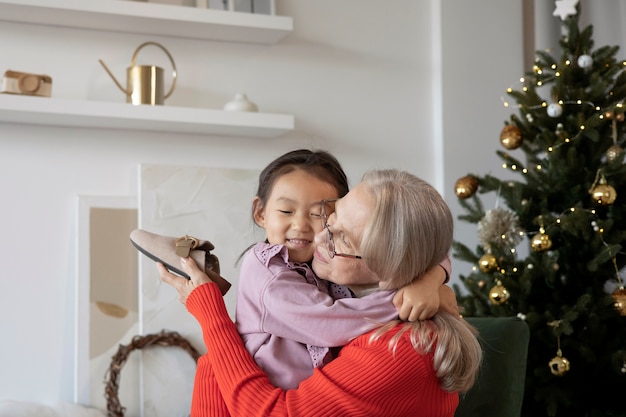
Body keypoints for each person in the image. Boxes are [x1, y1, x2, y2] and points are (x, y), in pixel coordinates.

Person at [160, 168, 482, 417]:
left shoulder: (398, 351)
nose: (320, 239)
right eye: (330, 218)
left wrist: (211, 314)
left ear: (391, 269)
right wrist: (432, 280)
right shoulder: (370, 306)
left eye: (343, 240)